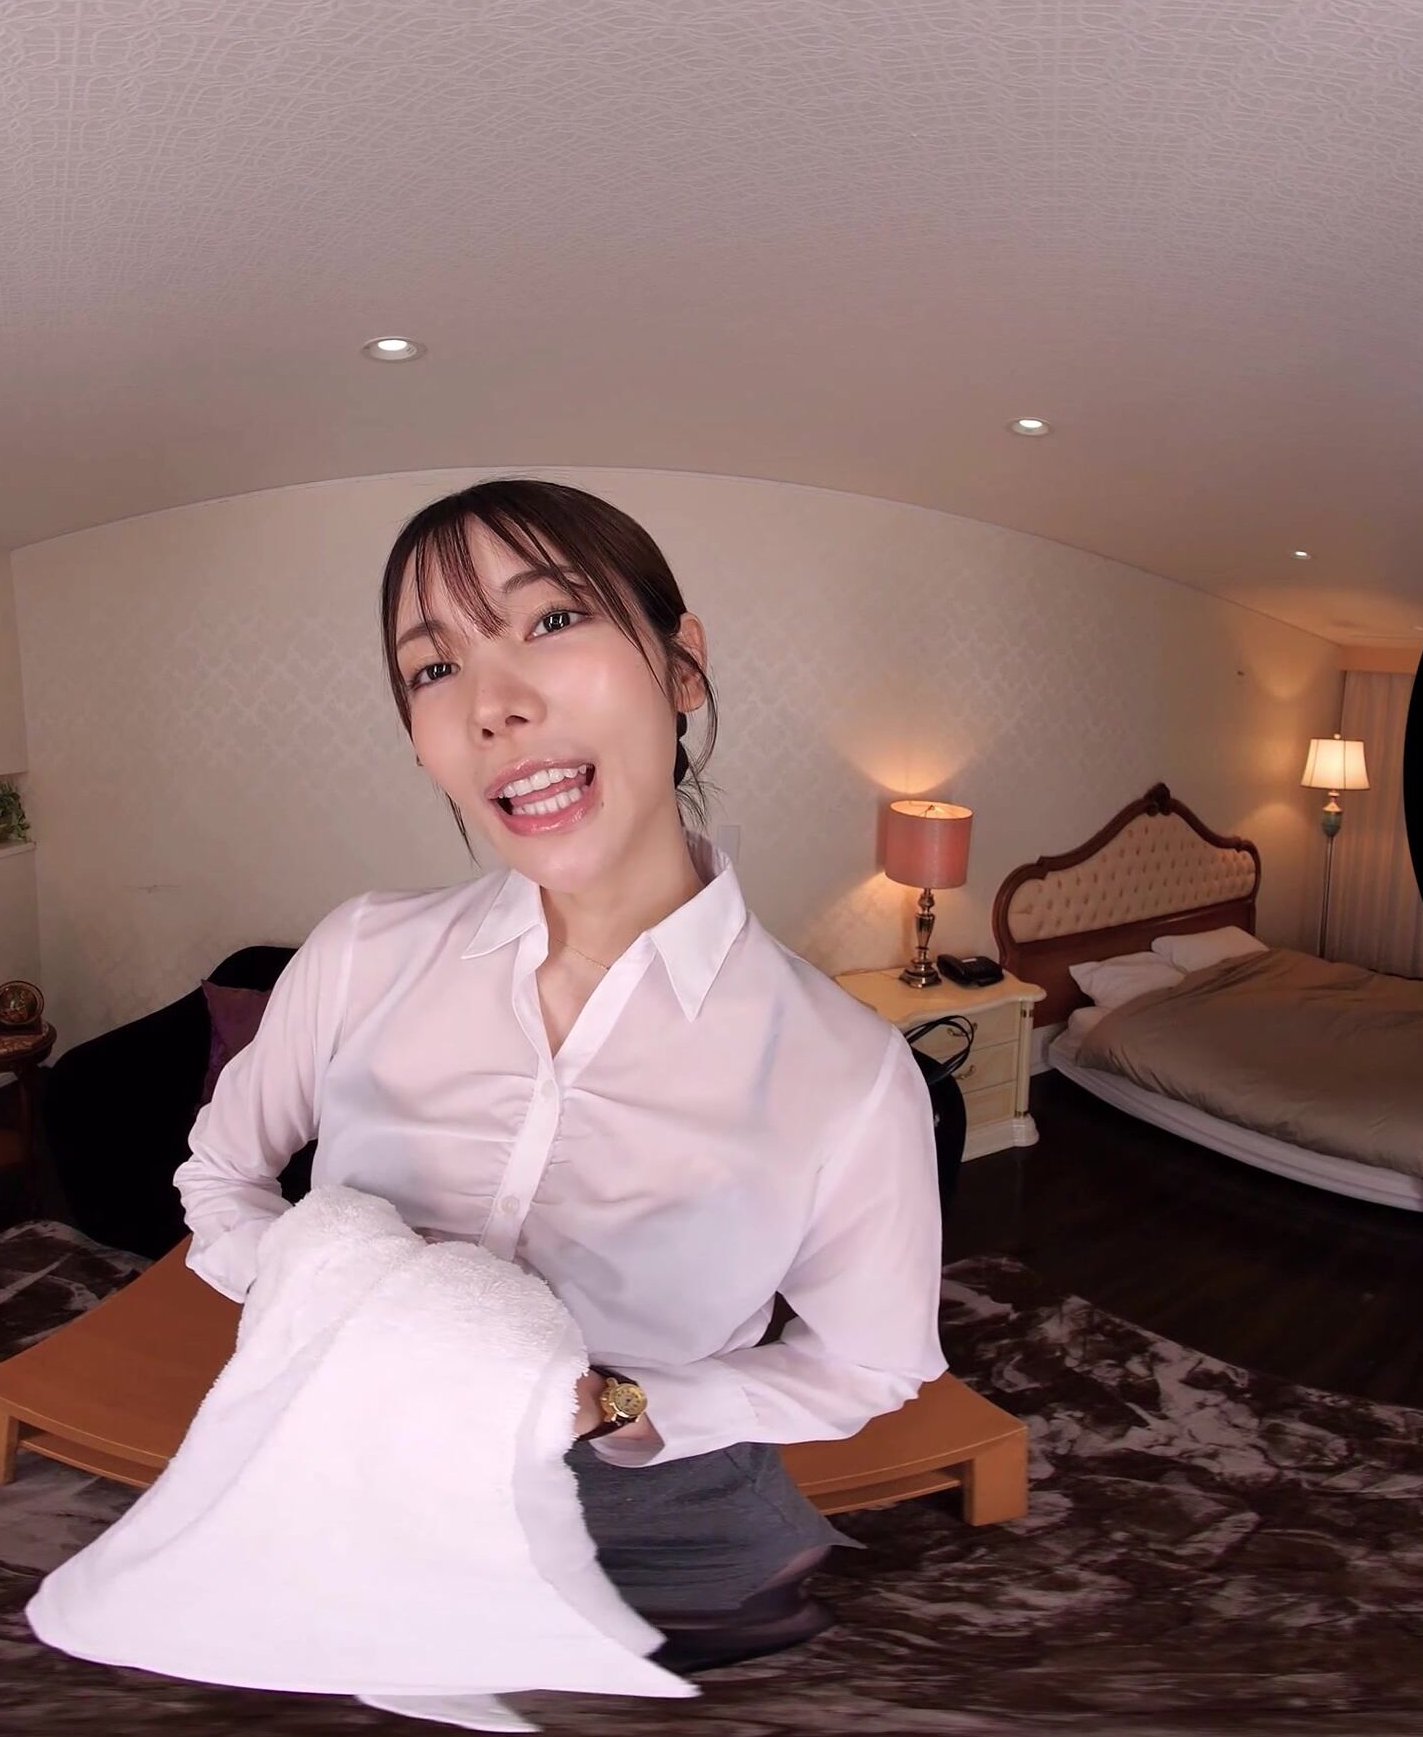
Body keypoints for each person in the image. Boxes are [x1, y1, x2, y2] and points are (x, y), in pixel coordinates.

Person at [171, 477, 945, 1673]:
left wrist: (622, 1405)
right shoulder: (360, 952)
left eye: (549, 620)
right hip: (340, 1480)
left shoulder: (847, 1070)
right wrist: (331, 1292)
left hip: (655, 1535)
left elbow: (869, 1362)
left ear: (680, 666)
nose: (494, 705)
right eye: (434, 668)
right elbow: (219, 1177)